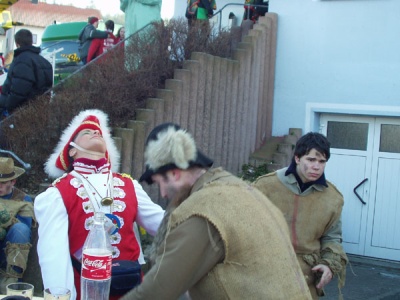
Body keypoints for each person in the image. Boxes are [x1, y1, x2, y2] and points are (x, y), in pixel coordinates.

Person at [121, 123, 312, 300]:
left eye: (161, 183)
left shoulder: (205, 210)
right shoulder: (238, 189)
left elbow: (158, 290)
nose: (163, 193)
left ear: (174, 173)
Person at [34, 109, 165, 300]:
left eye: (98, 132)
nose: (96, 133)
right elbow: (54, 257)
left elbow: (165, 225)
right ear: (72, 150)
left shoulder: (129, 185)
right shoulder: (58, 193)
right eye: (86, 133)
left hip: (133, 292)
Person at [253, 132, 348, 299]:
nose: (316, 167)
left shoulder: (333, 198)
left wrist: (328, 265)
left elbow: (332, 238)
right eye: (311, 160)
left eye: (322, 161)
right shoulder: (265, 187)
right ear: (297, 158)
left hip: (305, 279)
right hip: (264, 274)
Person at [0, 157, 35, 294]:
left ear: (13, 181)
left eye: (3, 183)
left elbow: (24, 231)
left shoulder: (22, 199)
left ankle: (10, 283)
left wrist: (7, 220)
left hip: (7, 254)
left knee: (20, 229)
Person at [0, 29, 53, 115]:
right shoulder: (44, 61)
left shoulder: (21, 61)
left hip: (22, 112)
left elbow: (19, 90)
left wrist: (8, 106)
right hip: (39, 111)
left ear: (17, 44)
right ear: (31, 42)